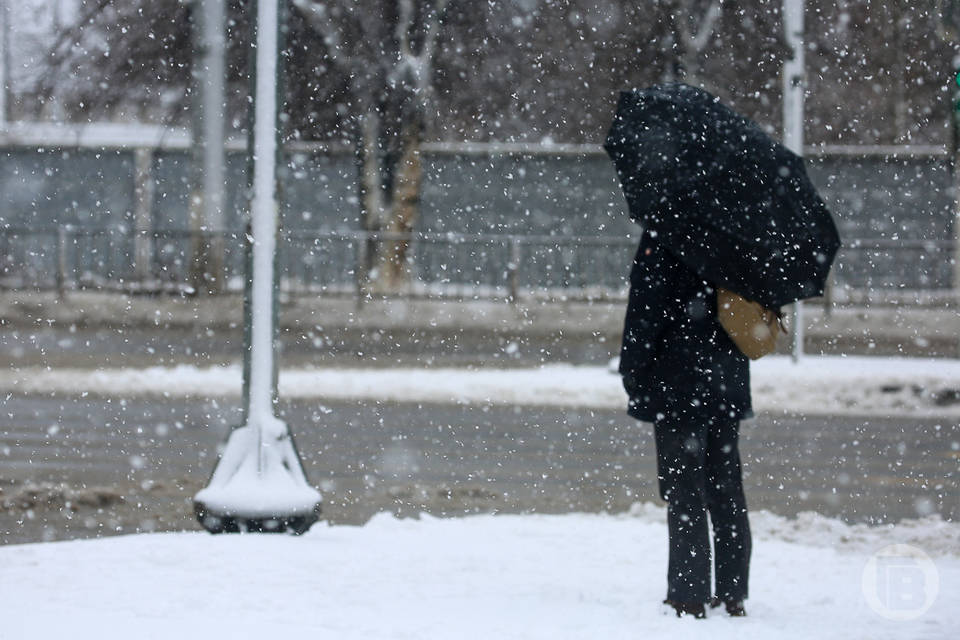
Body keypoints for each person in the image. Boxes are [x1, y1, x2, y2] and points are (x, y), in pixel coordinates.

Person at [619, 227, 752, 619]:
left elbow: (644, 312)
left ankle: (688, 593)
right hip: (727, 380)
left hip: (678, 383)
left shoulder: (665, 233)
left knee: (685, 491)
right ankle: (732, 592)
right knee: (726, 489)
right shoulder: (736, 230)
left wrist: (634, 372)